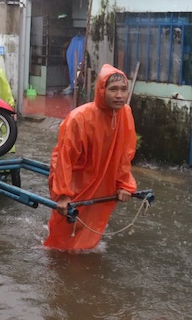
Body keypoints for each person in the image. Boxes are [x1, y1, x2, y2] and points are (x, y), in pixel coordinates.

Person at [44, 64, 137, 251]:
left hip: (103, 180)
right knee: (62, 233)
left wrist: (124, 184)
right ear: (102, 91)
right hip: (77, 182)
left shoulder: (125, 113)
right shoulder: (79, 118)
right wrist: (63, 195)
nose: (119, 95)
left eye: (123, 89)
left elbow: (126, 153)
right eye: (113, 89)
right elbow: (64, 159)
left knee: (94, 223)